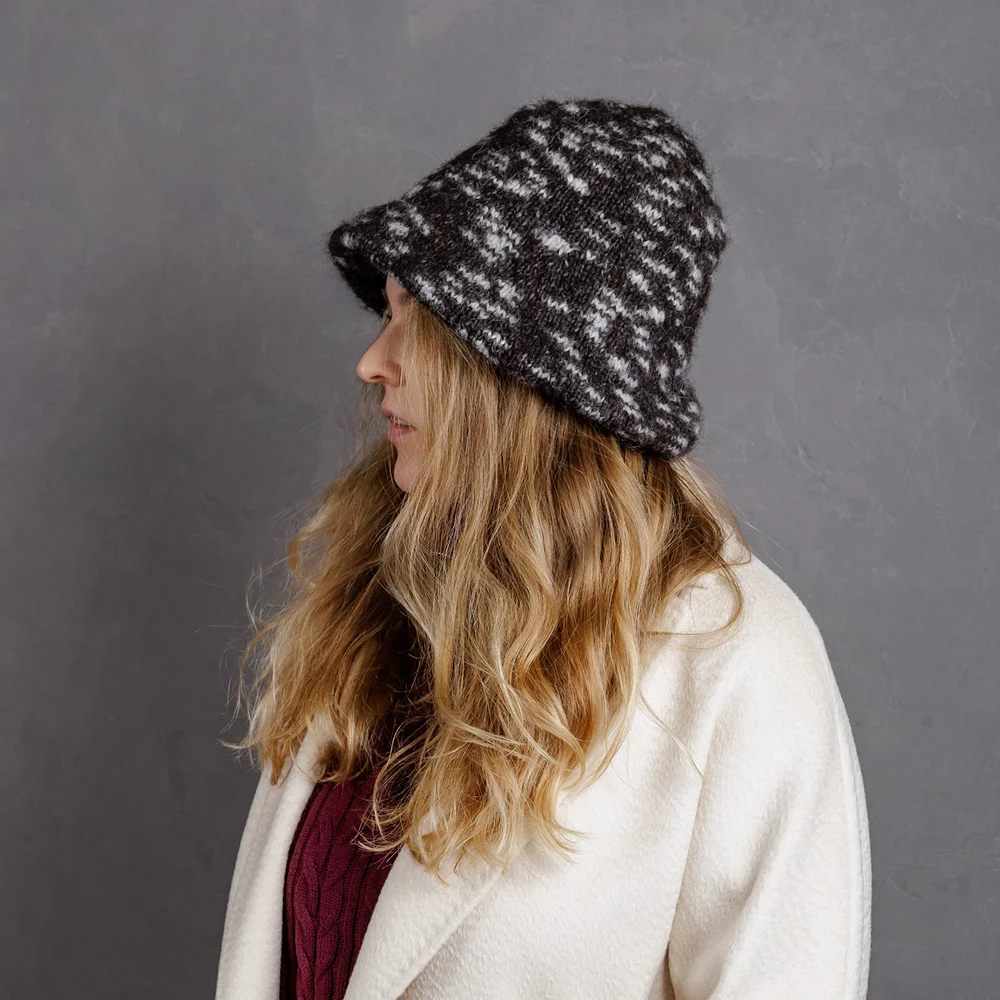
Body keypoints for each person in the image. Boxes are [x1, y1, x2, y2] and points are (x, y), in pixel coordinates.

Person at [214, 97, 872, 1000]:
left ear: (520, 369)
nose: (371, 363)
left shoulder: (739, 662)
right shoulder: (380, 606)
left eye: (412, 321)